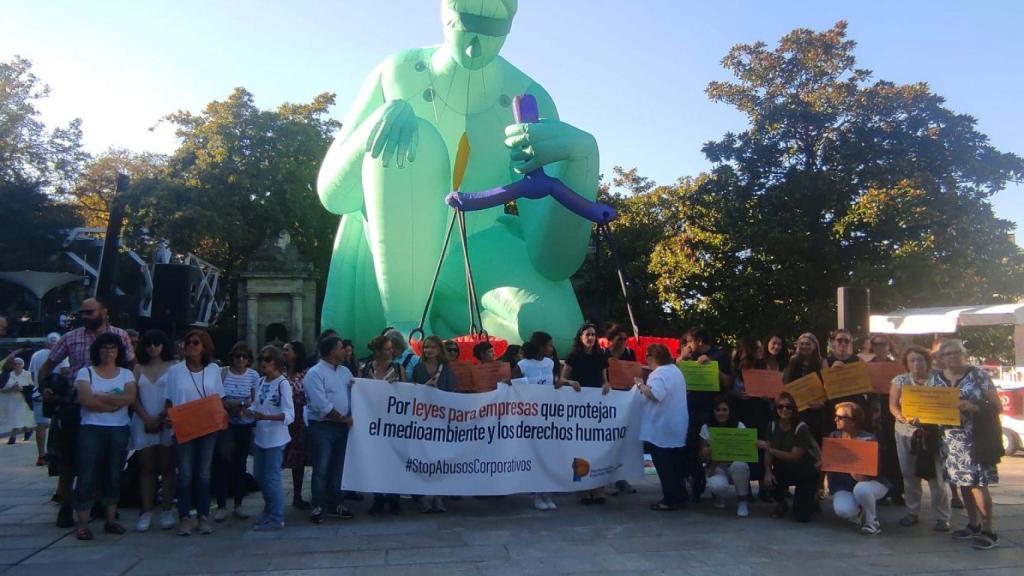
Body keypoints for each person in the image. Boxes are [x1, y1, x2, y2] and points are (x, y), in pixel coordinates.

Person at [37, 297, 135, 529]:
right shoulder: (71, 337)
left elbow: (131, 366)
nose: (85, 316)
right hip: (74, 406)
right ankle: (66, 505)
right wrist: (45, 389)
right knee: (69, 461)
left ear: (104, 312)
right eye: (83, 313)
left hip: (112, 410)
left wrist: (125, 397)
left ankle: (100, 503)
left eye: (90, 312)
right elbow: (47, 367)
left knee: (105, 461)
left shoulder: (120, 336)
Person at [935, 339, 1002, 550]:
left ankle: (989, 530)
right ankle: (973, 524)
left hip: (976, 438)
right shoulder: (936, 378)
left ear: (965, 355)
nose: (953, 357)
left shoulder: (979, 375)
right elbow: (927, 403)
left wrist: (973, 406)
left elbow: (997, 405)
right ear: (942, 358)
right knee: (962, 482)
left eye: (957, 353)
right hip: (951, 439)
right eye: (948, 354)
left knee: (978, 484)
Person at [72, 333, 137, 540]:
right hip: (92, 427)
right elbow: (86, 400)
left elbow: (129, 398)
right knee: (87, 474)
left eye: (113, 348)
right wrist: (112, 404)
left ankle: (111, 519)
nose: (109, 352)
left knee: (113, 473)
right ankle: (83, 522)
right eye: (105, 348)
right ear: (97, 351)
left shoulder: (126, 374)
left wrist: (101, 397)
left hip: (118, 428)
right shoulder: (86, 373)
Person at [163, 329, 223, 536]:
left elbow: (219, 398)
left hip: (208, 429)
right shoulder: (175, 371)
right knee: (185, 474)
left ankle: (203, 515)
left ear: (204, 346)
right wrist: (169, 416)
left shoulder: (214, 369)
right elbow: (169, 399)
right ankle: (184, 516)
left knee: (204, 474)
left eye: (195, 342)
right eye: (187, 342)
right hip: (184, 428)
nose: (190, 346)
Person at [889, 345, 951, 532]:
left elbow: (946, 405)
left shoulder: (939, 380)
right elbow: (893, 406)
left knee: (937, 477)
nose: (916, 363)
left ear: (927, 361)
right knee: (909, 474)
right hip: (907, 432)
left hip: (933, 434)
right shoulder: (900, 380)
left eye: (920, 359)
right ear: (906, 364)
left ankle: (942, 517)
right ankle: (912, 512)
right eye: (912, 360)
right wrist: (902, 417)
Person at [130, 330, 178, 532]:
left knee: (168, 468)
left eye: (157, 344)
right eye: (149, 344)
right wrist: (146, 418)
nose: (152, 347)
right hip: (142, 420)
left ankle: (167, 509)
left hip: (166, 420)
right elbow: (132, 397)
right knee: (146, 468)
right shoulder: (138, 368)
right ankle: (146, 511)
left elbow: (175, 395)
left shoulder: (174, 367)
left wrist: (159, 417)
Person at [305, 336, 356, 523]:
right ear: (332, 351)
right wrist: (342, 418)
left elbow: (357, 394)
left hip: (342, 427)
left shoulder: (345, 372)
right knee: (321, 467)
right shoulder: (315, 373)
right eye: (342, 347)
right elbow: (320, 404)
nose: (345, 351)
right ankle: (318, 504)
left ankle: (336, 503)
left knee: (338, 467)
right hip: (323, 426)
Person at [244, 345, 295, 530]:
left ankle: (277, 515)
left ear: (276, 362)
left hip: (276, 438)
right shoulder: (260, 382)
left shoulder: (283, 384)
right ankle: (269, 508)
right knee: (259, 475)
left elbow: (290, 414)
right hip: (260, 436)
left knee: (272, 477)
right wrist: (247, 412)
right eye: (261, 359)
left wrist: (266, 417)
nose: (263, 363)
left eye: (267, 359)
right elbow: (257, 406)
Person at [562, 323, 613, 505]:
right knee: (580, 449)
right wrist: (570, 382)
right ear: (580, 337)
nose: (591, 337)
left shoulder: (601, 356)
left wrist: (606, 385)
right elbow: (562, 379)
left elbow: (604, 379)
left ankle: (598, 488)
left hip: (597, 408)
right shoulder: (573, 356)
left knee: (597, 448)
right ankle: (582, 489)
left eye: (593, 334)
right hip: (578, 408)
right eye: (587, 334)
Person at [636, 343, 688, 511]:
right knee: (676, 466)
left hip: (662, 427)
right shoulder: (675, 371)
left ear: (652, 357)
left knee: (664, 466)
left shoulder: (659, 374)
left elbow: (655, 394)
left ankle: (669, 499)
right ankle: (680, 496)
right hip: (677, 425)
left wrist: (640, 385)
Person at [828, 401, 889, 535]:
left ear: (853, 421)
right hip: (845, 485)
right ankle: (859, 511)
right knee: (843, 510)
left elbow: (865, 477)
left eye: (841, 417)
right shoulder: (834, 436)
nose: (836, 419)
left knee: (861, 489)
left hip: (871, 482)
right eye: (835, 416)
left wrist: (849, 465)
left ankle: (872, 523)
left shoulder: (868, 439)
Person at [758, 391, 820, 522]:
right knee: (769, 480)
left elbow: (794, 457)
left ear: (794, 408)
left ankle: (812, 499)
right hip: (783, 468)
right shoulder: (772, 425)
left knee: (801, 518)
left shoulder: (801, 427)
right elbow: (768, 453)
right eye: (780, 407)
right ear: (776, 409)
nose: (784, 410)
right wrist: (768, 471)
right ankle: (781, 504)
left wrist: (770, 449)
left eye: (788, 407)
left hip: (804, 471)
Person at [213, 342, 258, 522]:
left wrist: (237, 404)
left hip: (245, 424)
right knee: (222, 464)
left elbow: (254, 400)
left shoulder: (253, 375)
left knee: (240, 464)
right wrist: (240, 404)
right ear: (231, 357)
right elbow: (219, 400)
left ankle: (238, 504)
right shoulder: (222, 373)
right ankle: (221, 505)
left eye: (244, 356)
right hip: (226, 425)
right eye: (237, 356)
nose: (241, 359)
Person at [700, 396, 751, 517]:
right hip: (716, 468)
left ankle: (742, 500)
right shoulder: (706, 427)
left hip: (733, 464)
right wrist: (706, 452)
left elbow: (744, 451)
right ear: (713, 411)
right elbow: (701, 455)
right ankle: (719, 497)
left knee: (740, 465)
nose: (721, 413)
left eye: (724, 410)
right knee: (717, 486)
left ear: (730, 411)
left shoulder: (739, 426)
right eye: (718, 410)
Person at [281, 340, 312, 510]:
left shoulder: (306, 373)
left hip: (299, 419)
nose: (283, 352)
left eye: (287, 350)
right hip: (283, 419)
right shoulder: (279, 372)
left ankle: (297, 495)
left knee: (298, 458)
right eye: (283, 350)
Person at [28, 332, 66, 466]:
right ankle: (57, 453)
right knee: (60, 424)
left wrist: (39, 387)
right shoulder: (62, 355)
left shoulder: (36, 355)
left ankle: (41, 455)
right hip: (57, 395)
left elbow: (32, 374)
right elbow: (65, 373)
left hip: (39, 393)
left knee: (41, 426)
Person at [783, 332, 826, 443]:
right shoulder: (793, 361)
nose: (804, 346)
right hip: (797, 408)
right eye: (801, 344)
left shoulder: (822, 362)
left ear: (815, 345)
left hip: (816, 409)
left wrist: (822, 402)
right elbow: (786, 383)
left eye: (808, 344)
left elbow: (828, 385)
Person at [2, 357, 35, 445]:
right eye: (15, 364)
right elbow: (3, 388)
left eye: (19, 363)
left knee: (17, 417)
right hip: (11, 400)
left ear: (22, 365)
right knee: (17, 418)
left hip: (23, 400)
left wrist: (22, 388)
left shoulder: (27, 374)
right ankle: (28, 429)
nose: (17, 365)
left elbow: (32, 387)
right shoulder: (8, 375)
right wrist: (11, 389)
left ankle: (13, 437)